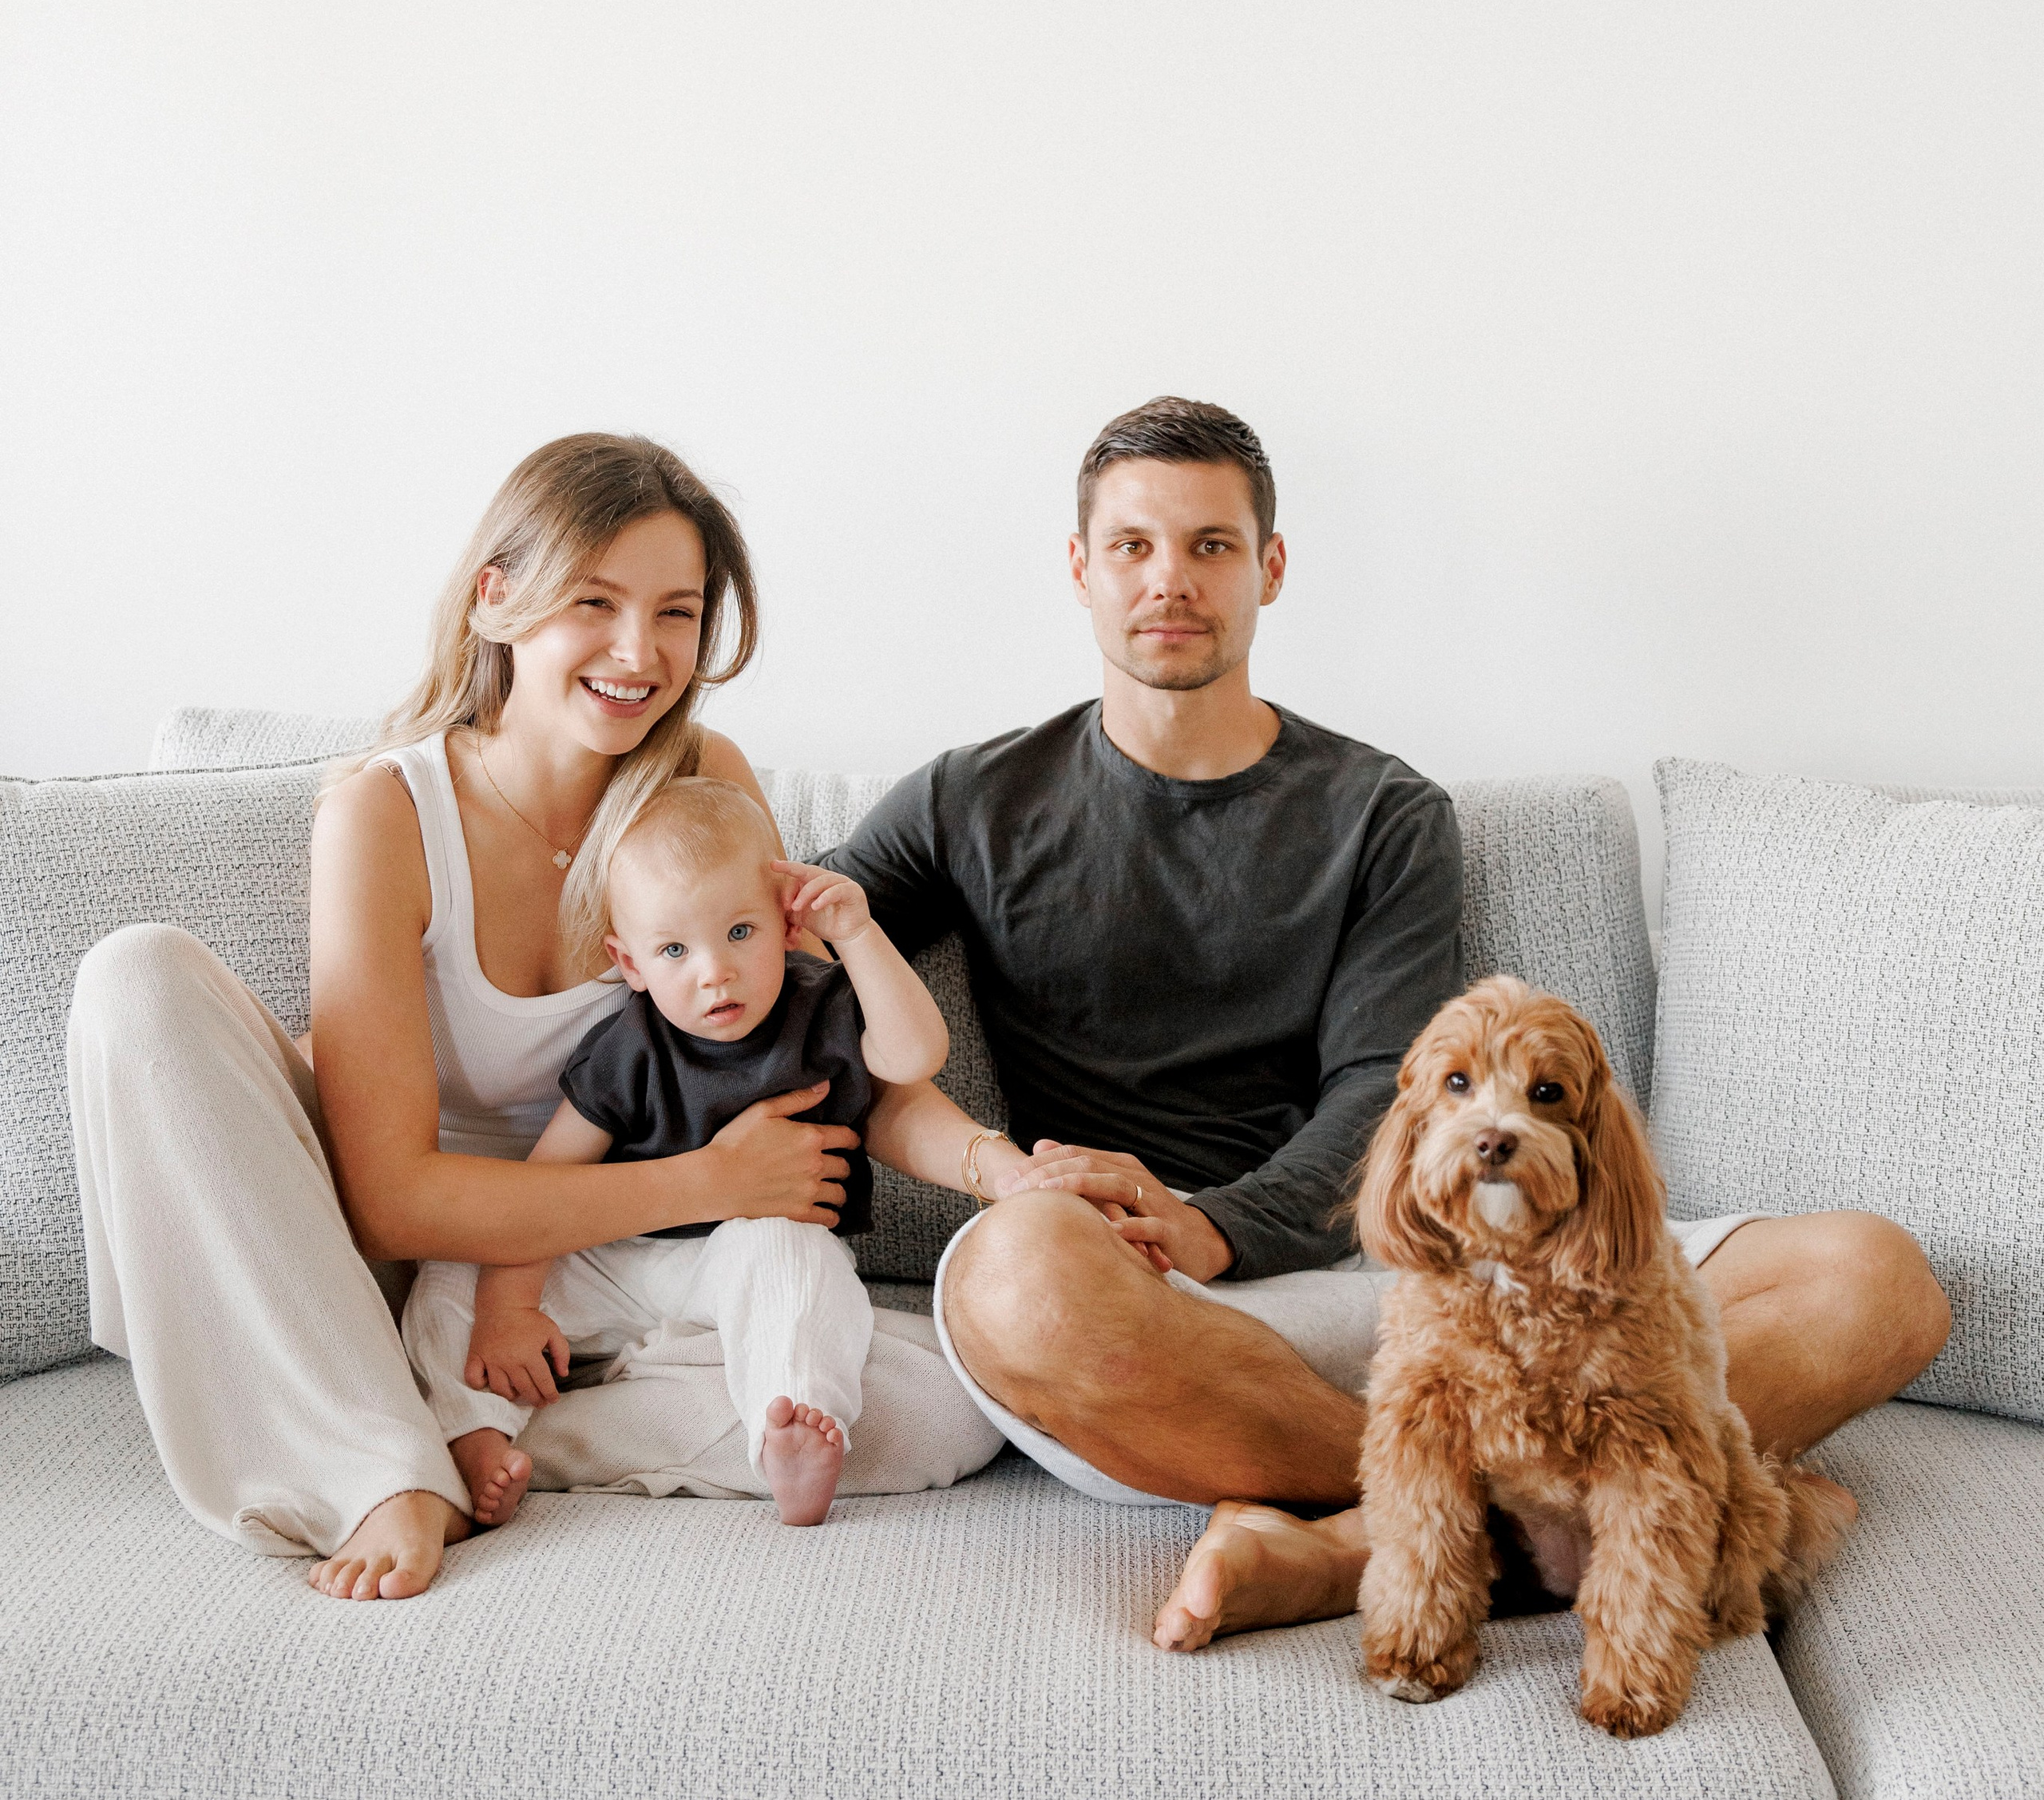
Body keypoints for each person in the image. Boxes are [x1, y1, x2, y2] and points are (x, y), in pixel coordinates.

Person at [835, 395, 1954, 1651]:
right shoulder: (969, 799)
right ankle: (1543, 1521)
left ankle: (1354, 1549)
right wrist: (991, 1166)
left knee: (1875, 1279)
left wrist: (1220, 1225)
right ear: (1081, 567)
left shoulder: (1383, 811)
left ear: (1270, 567)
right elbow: (766, 968)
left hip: (1415, 1279)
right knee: (1013, 1276)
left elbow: (1385, 1093)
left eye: (1211, 545)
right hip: (1162, 1325)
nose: (1170, 580)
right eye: (1134, 546)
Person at [67, 432, 1000, 1603]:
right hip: (424, 1277)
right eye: (594, 602)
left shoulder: (704, 780)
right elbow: (392, 1201)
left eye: (675, 613)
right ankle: (379, 1464)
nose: (639, 652)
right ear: (496, 600)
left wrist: (1001, 1168)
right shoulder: (386, 812)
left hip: (637, 1279)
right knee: (135, 974)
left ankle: (487, 1443)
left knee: (946, 1412)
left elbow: (829, 1056)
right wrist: (709, 1181)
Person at [402, 779, 951, 1528]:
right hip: (618, 1259)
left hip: (737, 1266)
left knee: (794, 1250)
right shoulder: (628, 1048)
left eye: (740, 932)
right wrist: (509, 1310)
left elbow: (915, 1055)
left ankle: (789, 1423)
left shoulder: (822, 1005)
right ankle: (476, 1431)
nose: (713, 971)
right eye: (673, 950)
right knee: (453, 1272)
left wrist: (857, 936)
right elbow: (548, 1182)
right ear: (629, 964)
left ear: (786, 924)